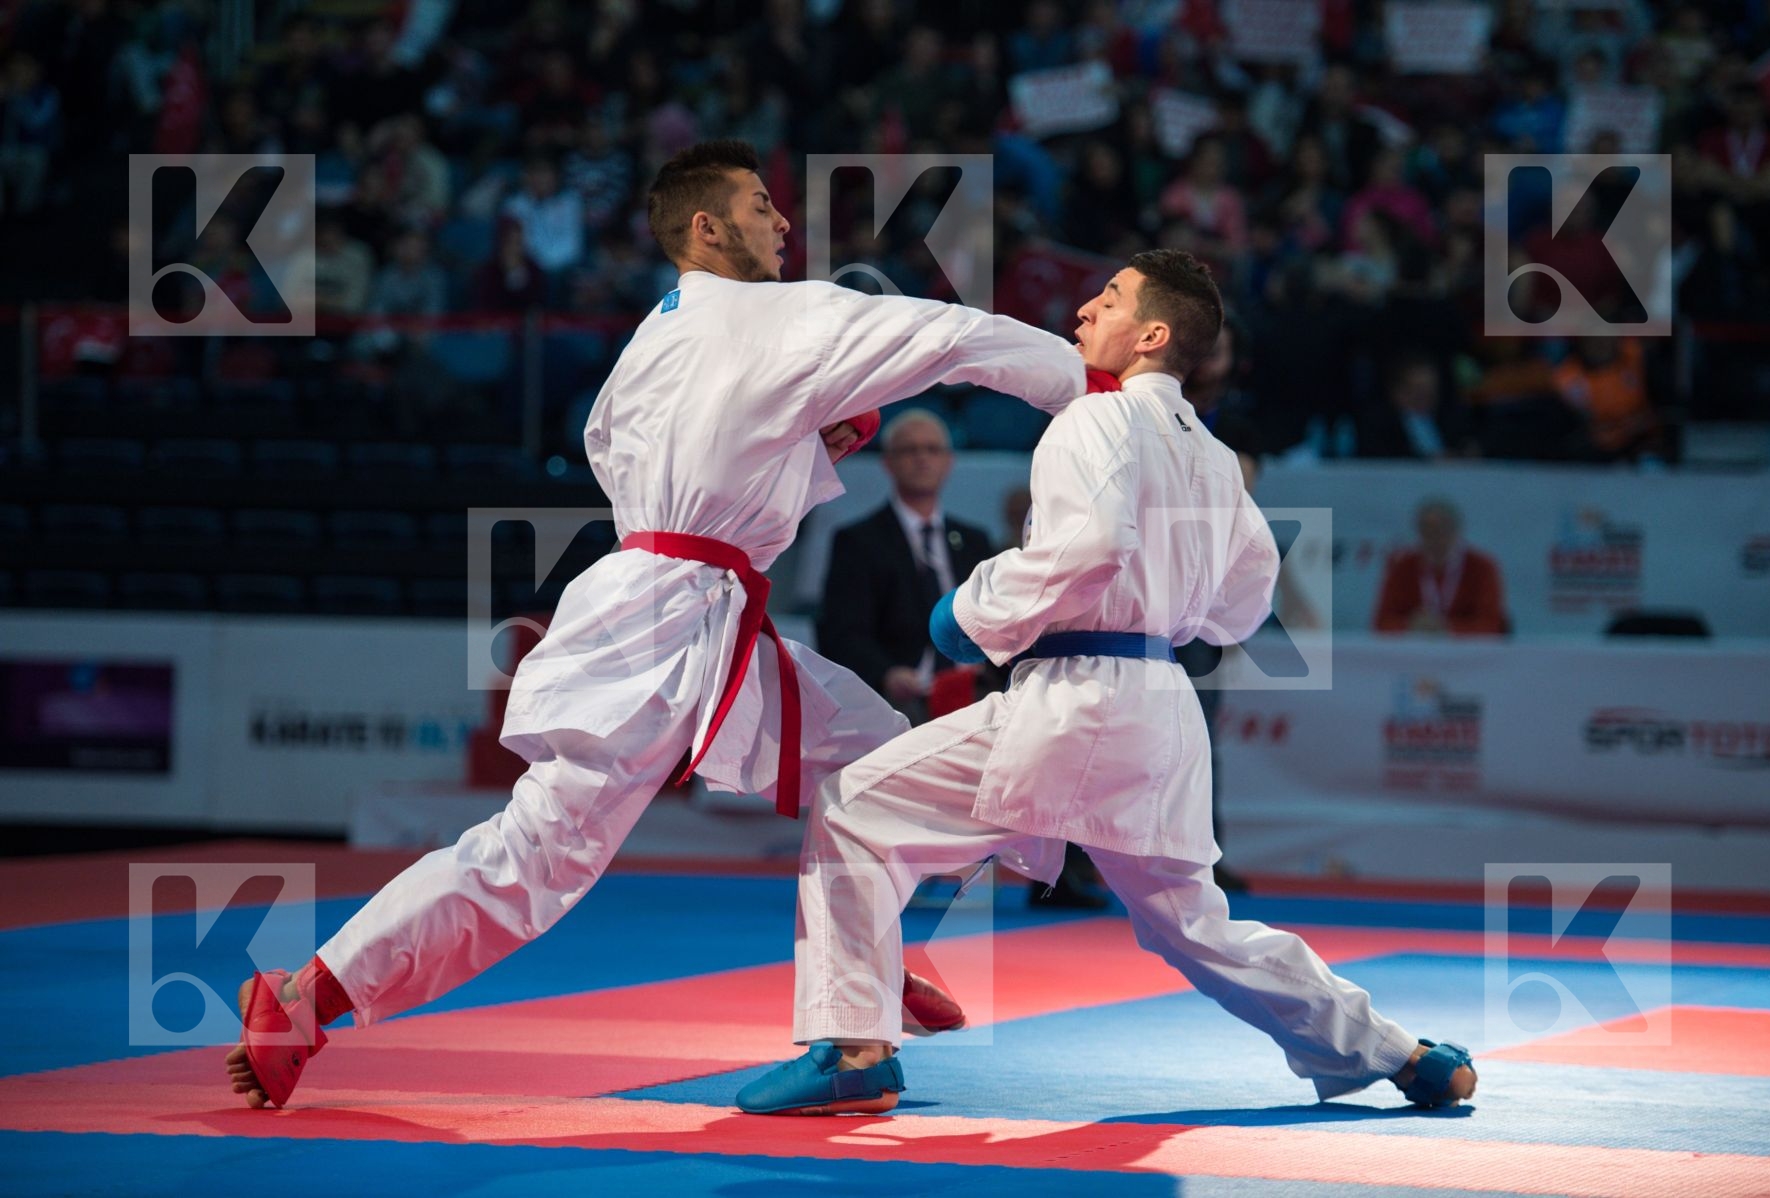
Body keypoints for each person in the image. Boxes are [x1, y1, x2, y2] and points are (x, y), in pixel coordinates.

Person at [225, 139, 1092, 1110]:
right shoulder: (788, 312)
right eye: (761, 204)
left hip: (685, 601)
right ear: (706, 225)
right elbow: (957, 337)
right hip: (660, 621)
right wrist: (1098, 394)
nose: (782, 222)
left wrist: (802, 438)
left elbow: (662, 462)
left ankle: (859, 980)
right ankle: (302, 992)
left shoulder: (649, 345)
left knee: (880, 761)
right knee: (541, 853)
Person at [736, 249, 1477, 1117]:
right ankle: (1399, 1053)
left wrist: (970, 613)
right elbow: (1243, 606)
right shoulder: (1216, 456)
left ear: (1153, 334)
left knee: (853, 810)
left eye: (1112, 297)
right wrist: (1161, 606)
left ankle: (855, 1048)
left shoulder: (1096, 417)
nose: (1085, 307)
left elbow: (1085, 552)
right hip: (1160, 703)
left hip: (1077, 695)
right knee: (1199, 929)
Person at [816, 410, 992, 726]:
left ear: (948, 461)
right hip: (899, 701)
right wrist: (887, 674)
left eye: (932, 449)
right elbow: (841, 632)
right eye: (910, 450)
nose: (922, 458)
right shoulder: (858, 541)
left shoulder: (974, 541)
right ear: (888, 462)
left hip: (974, 694)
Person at [1373, 498, 1508, 636]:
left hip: (1468, 654)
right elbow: (1382, 622)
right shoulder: (1402, 567)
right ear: (1418, 532)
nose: (1435, 538)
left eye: (1442, 530)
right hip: (1415, 653)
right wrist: (1410, 626)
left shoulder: (1482, 568)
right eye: (1427, 531)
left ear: (1457, 530)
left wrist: (1447, 628)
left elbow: (1492, 625)